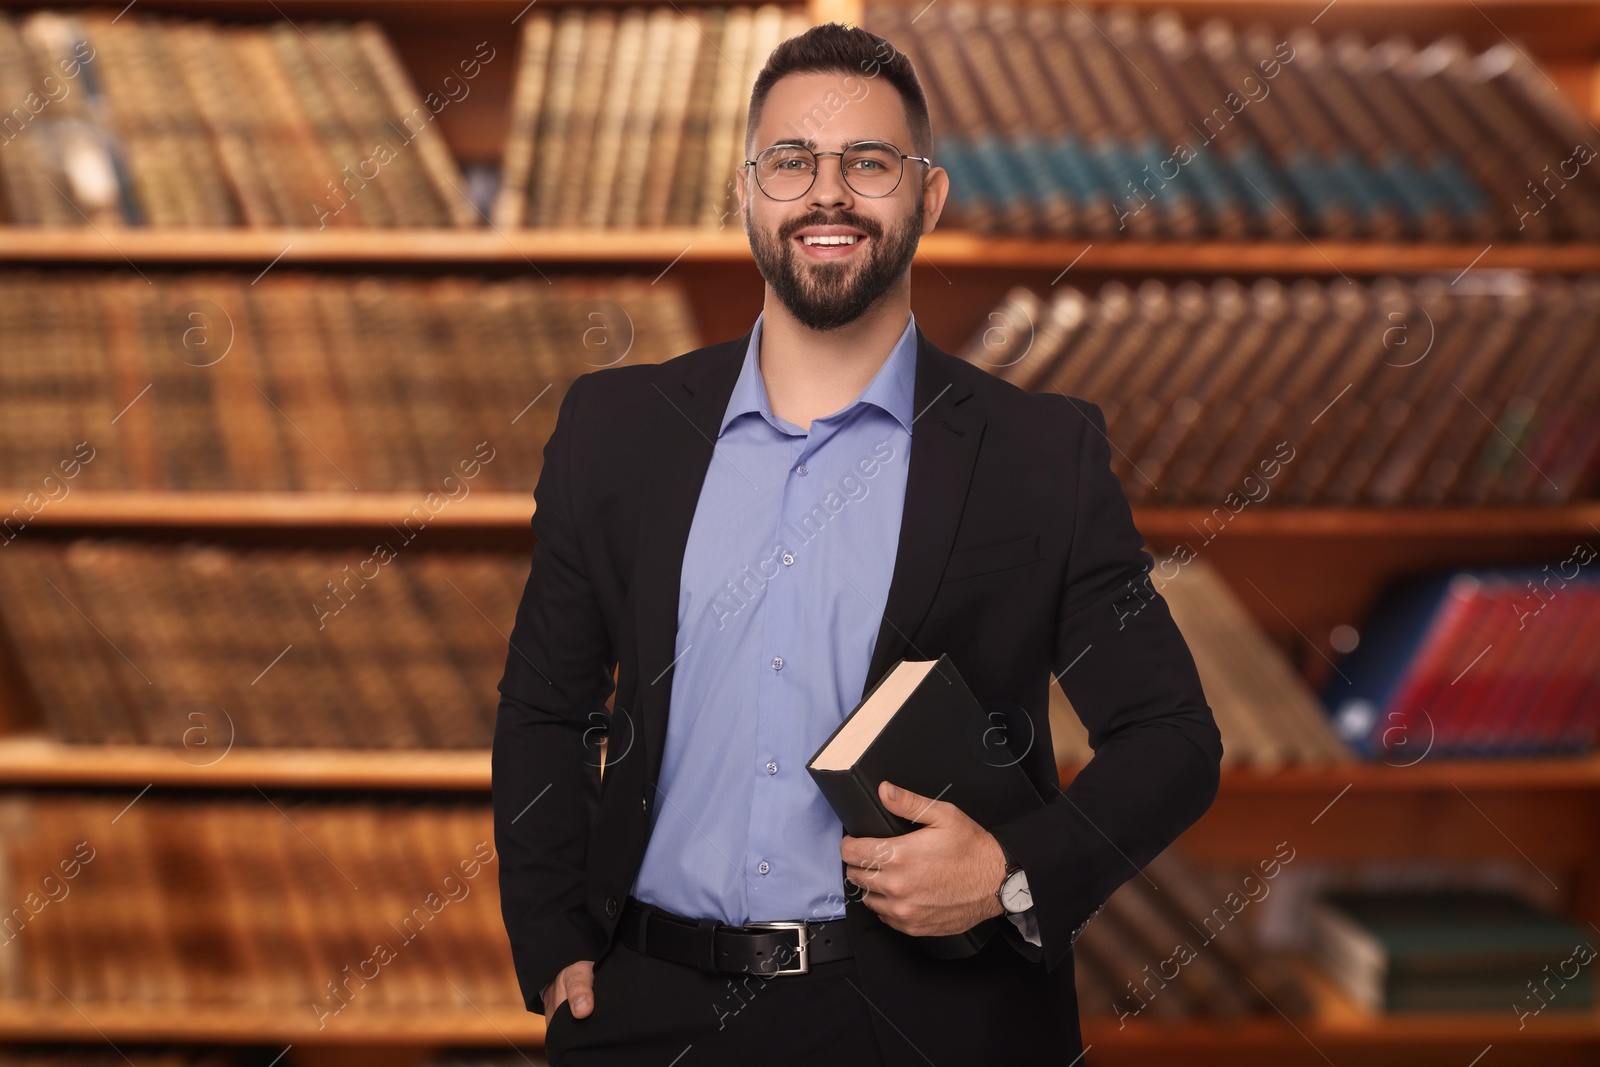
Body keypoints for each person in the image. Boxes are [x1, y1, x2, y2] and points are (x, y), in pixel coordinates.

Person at [492, 21, 1223, 1067]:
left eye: (867, 164)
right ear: (746, 192)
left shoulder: (1037, 452)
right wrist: (550, 929)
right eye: (791, 162)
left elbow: (1172, 737)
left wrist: (1012, 871)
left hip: (927, 1020)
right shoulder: (617, 431)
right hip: (643, 1010)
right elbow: (545, 707)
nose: (826, 194)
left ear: (925, 197)